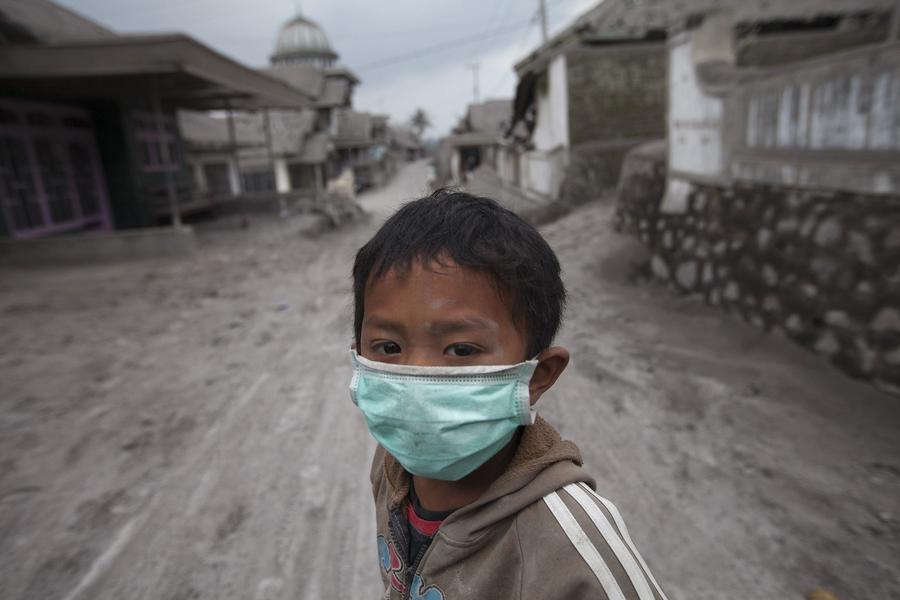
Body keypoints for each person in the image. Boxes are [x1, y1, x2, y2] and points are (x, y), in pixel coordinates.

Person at [350, 189, 668, 599]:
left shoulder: (574, 552)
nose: (417, 382)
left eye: (461, 350)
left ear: (537, 376)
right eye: (388, 347)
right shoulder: (391, 466)